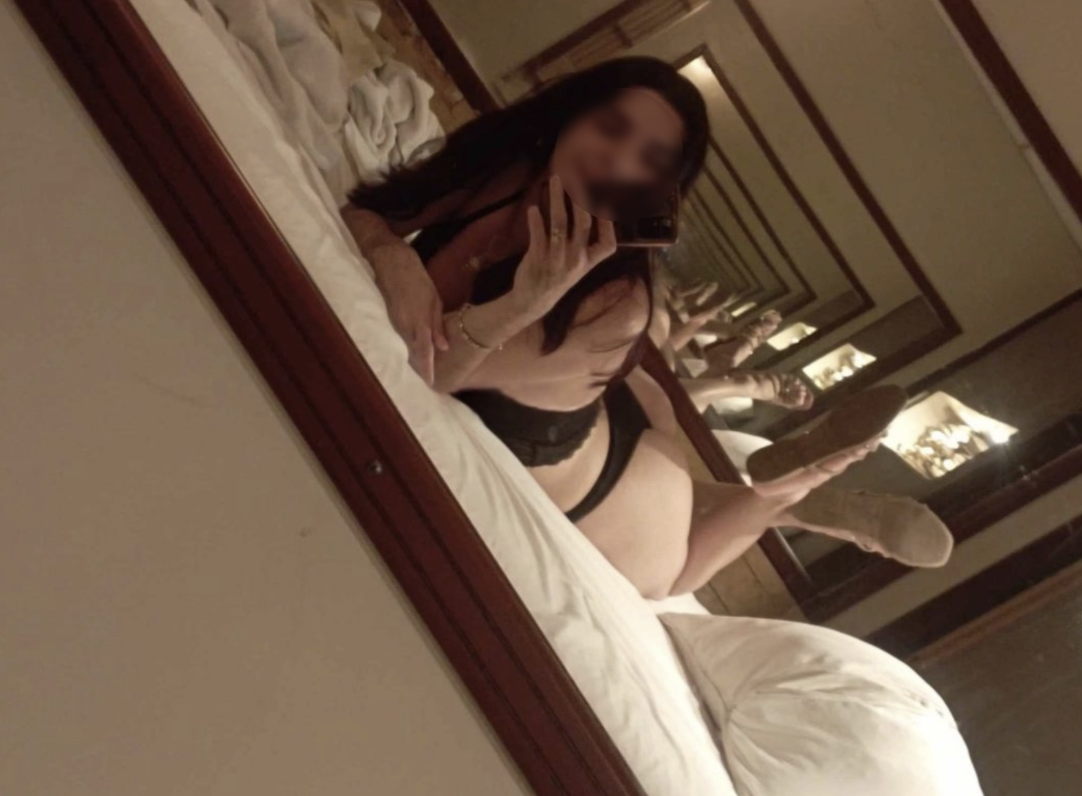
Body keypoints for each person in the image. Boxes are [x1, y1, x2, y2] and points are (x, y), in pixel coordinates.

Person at [343, 57, 952, 598]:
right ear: (574, 114)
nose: (618, 159)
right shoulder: (504, 163)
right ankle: (787, 489)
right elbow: (372, 211)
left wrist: (528, 300)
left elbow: (435, 369)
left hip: (598, 468)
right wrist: (394, 256)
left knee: (672, 578)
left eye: (651, 161)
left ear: (661, 189)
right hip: (611, 398)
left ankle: (791, 497)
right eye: (611, 128)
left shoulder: (615, 300)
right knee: (686, 493)